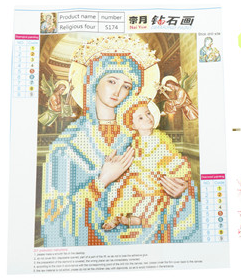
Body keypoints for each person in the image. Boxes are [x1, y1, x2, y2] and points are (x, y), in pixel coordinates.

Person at [41, 35, 200, 246]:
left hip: (145, 238)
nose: (118, 91)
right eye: (111, 81)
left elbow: (166, 181)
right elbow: (55, 220)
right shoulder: (68, 145)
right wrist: (102, 181)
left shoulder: (141, 137)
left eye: (126, 86)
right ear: (93, 80)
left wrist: (179, 191)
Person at [101, 98, 198, 243]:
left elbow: (170, 157)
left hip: (156, 178)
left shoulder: (161, 139)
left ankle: (137, 219)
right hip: (137, 177)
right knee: (119, 190)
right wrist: (121, 161)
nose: (147, 118)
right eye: (140, 118)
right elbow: (132, 158)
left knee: (152, 200)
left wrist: (170, 171)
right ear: (133, 125)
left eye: (148, 113)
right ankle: (117, 216)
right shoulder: (136, 141)